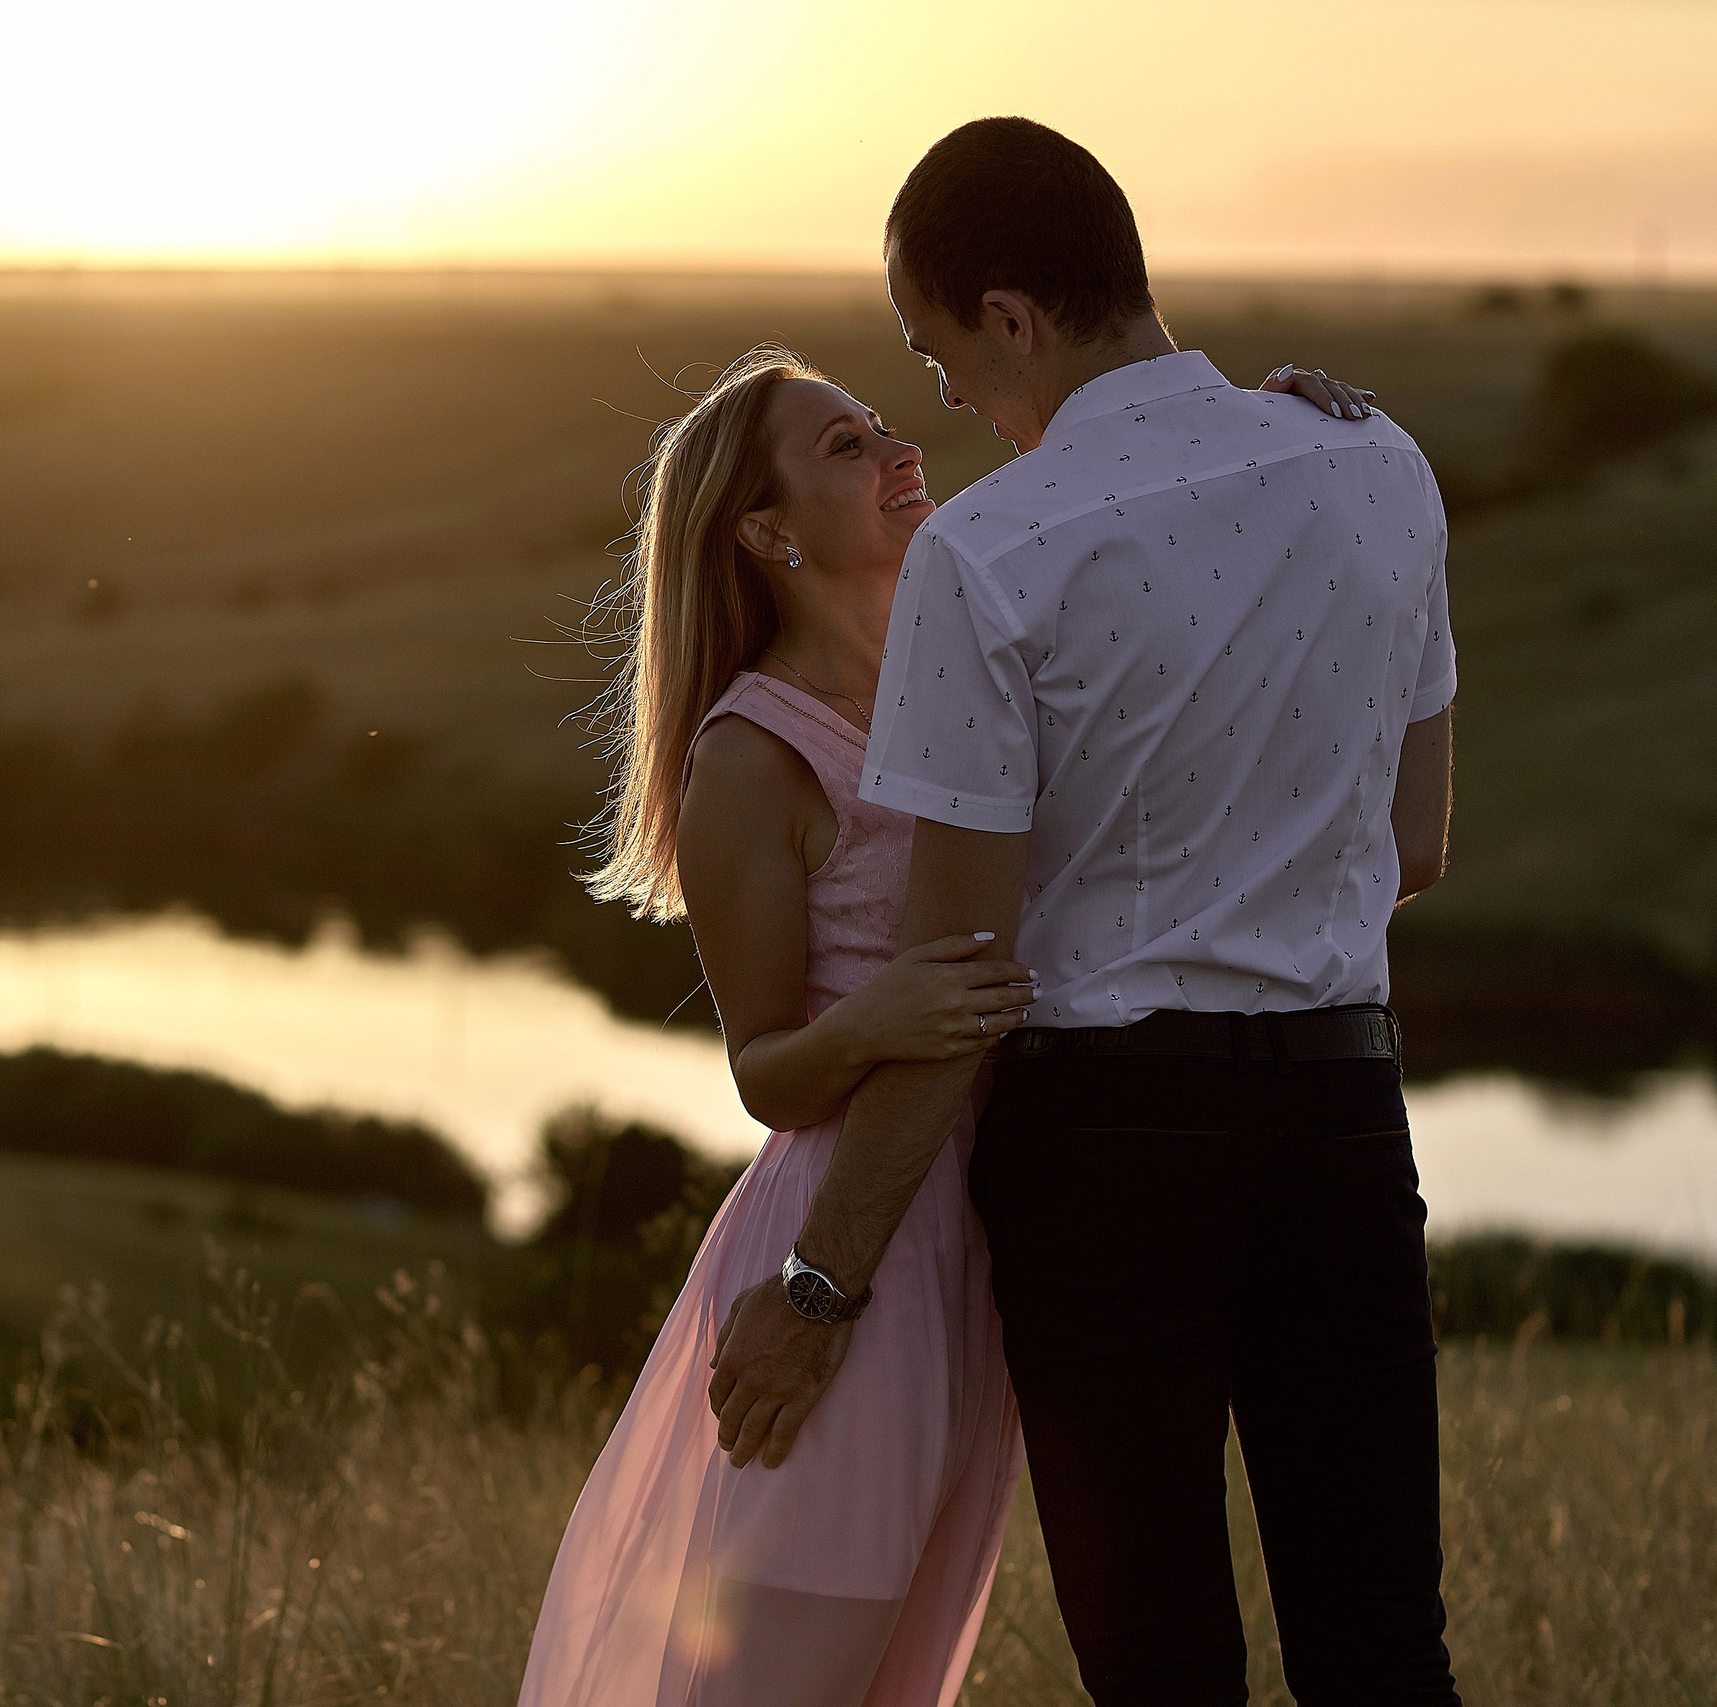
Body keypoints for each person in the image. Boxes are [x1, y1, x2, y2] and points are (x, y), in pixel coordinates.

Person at [704, 119, 1460, 1707]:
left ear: (1014, 319)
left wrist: (821, 1289)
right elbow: (1419, 843)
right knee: (1386, 1652)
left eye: (939, 359)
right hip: (1343, 1115)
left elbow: (960, 978)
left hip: (1110, 1163)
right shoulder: (1381, 463)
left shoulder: (995, 549)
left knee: (1165, 1671)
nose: (952, 406)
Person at [516, 328, 1376, 1699]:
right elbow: (770, 1077)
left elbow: (1133, 510)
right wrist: (881, 1022)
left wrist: (1273, 427)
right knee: (791, 1676)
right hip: (864, 1234)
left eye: (883, 421)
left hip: (991, 1223)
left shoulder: (968, 659)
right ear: (762, 532)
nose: (902, 447)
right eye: (847, 447)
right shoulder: (752, 752)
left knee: (896, 1671)